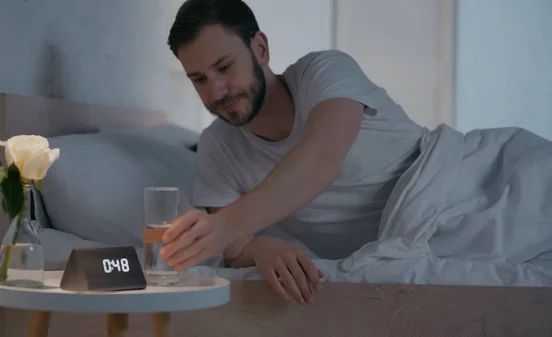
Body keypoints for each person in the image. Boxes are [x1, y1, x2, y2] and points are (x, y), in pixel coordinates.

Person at [159, 0, 427, 305]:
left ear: (260, 48)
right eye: (200, 79)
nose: (217, 91)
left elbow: (322, 159)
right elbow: (234, 247)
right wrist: (260, 248)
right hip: (402, 237)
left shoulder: (324, 72)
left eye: (224, 67)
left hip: (467, 183)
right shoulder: (217, 147)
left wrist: (221, 228)